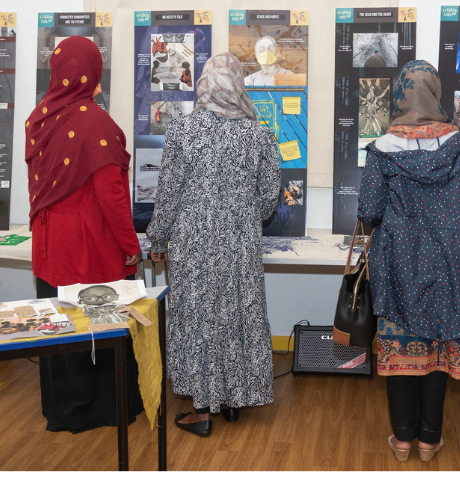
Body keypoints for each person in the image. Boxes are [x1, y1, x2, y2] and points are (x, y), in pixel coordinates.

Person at [357, 60, 460, 463]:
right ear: (436, 93)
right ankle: (430, 441)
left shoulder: (381, 149)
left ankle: (402, 441)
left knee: (400, 345)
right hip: (451, 263)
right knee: (440, 346)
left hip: (400, 261)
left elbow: (370, 209)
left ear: (399, 95)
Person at [146, 52, 280, 437]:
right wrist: (240, 214)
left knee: (200, 317)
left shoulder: (183, 131)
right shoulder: (259, 134)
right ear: (239, 84)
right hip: (240, 244)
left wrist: (157, 237)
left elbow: (168, 194)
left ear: (204, 83)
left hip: (194, 244)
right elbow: (270, 199)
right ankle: (233, 401)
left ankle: (204, 409)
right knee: (238, 314)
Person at [25, 35, 143, 433]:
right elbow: (111, 196)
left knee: (60, 326)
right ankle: (103, 409)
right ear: (92, 72)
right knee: (98, 323)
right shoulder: (96, 122)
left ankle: (64, 410)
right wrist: (131, 246)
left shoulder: (38, 118)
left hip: (48, 244)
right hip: (88, 244)